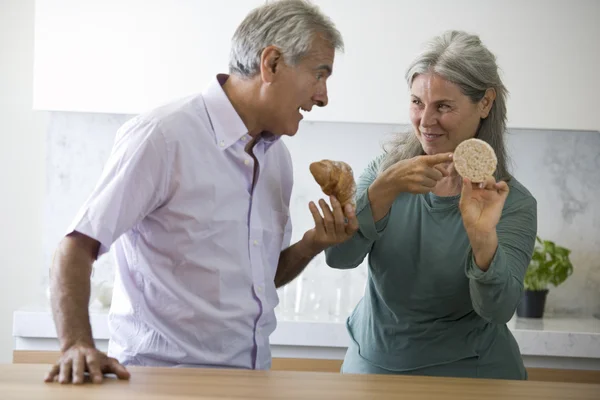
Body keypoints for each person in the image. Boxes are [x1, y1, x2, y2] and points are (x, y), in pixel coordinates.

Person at [45, 0, 358, 385]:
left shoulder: (277, 159)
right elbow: (74, 248)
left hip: (252, 382)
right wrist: (77, 343)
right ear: (272, 63)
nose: (323, 96)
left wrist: (312, 244)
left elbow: (258, 279)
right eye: (319, 75)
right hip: (161, 383)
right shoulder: (163, 137)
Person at [324, 30, 537, 380]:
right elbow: (339, 258)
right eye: (417, 102)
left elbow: (497, 310)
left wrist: (482, 237)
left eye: (444, 106)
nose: (425, 121)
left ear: (485, 103)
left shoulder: (511, 203)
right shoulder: (383, 173)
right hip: (373, 365)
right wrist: (380, 194)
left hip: (474, 374)